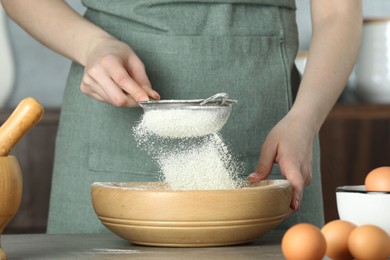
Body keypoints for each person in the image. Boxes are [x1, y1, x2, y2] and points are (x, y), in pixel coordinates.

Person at [1, 0, 362, 233]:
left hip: (275, 129)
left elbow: (339, 12)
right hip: (112, 115)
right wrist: (91, 45)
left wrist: (305, 119)